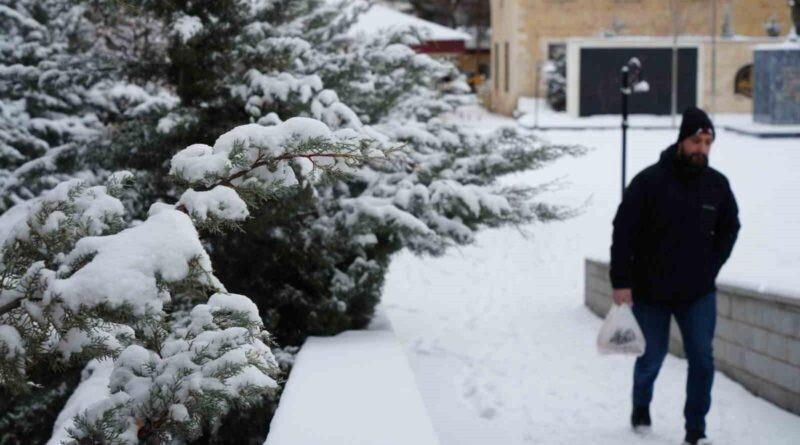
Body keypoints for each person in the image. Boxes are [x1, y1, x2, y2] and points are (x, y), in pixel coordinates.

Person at [609, 106, 740, 445]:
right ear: (682, 140)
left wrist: (712, 265)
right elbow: (623, 231)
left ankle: (695, 429)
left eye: (708, 142)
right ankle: (641, 404)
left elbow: (730, 227)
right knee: (651, 358)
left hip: (697, 293)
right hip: (651, 293)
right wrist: (621, 282)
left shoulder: (717, 185)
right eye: (696, 141)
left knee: (702, 359)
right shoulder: (649, 182)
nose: (702, 149)